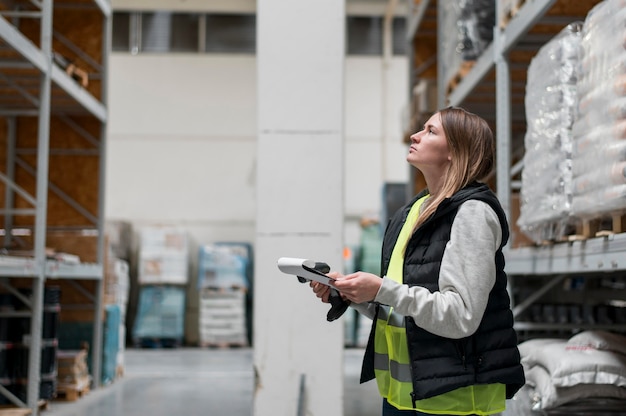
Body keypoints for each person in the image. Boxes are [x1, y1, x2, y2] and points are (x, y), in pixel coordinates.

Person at [311, 107, 525, 415]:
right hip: (404, 395)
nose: (415, 135)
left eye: (431, 131)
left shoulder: (472, 214)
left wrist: (382, 289)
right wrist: (349, 292)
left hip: (454, 400)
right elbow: (403, 309)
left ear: (455, 151)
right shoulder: (411, 213)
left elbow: (460, 316)